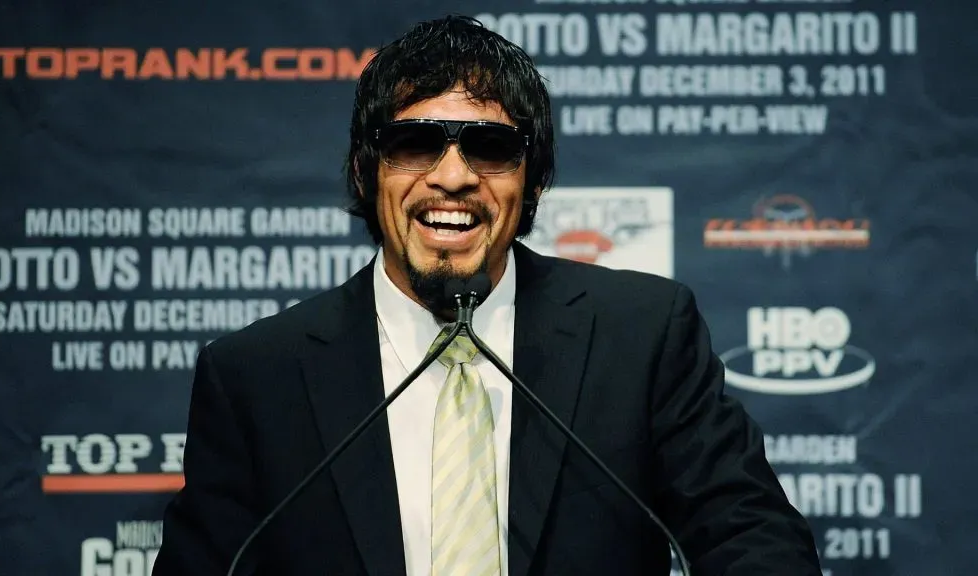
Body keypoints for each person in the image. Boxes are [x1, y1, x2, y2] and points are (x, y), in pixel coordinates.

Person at [153, 15, 822, 576]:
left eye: (491, 147)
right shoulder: (256, 376)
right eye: (414, 143)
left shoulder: (641, 336)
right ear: (366, 171)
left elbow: (753, 540)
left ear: (532, 183)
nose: (452, 176)